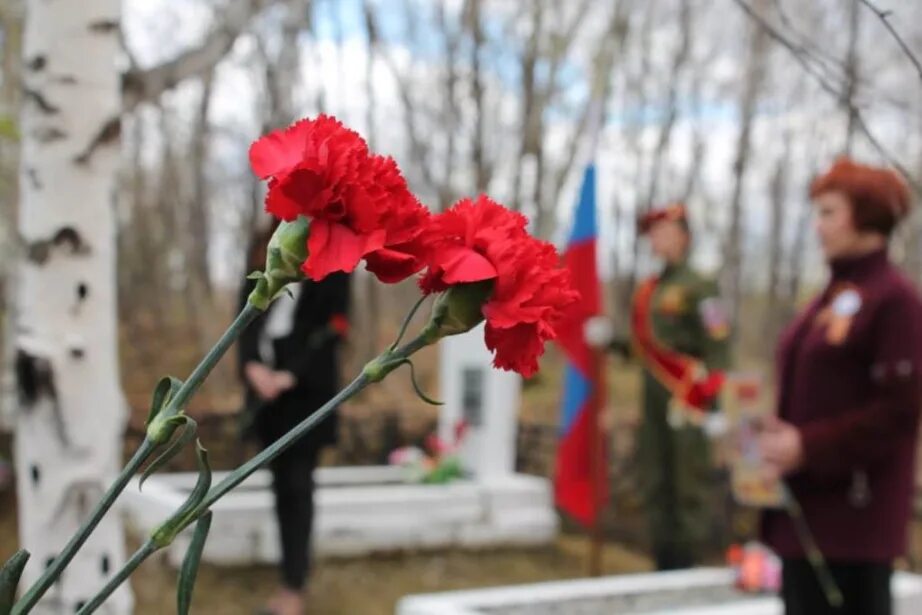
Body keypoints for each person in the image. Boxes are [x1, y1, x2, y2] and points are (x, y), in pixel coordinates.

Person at [757, 158, 921, 615]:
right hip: (805, 517)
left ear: (867, 215)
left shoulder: (894, 300)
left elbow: (898, 412)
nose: (818, 227)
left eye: (829, 213)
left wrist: (805, 446)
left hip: (855, 529)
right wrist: (776, 434)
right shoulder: (830, 296)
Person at [238, 219, 351, 615]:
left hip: (306, 398)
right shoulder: (263, 244)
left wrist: (292, 373)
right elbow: (245, 314)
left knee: (299, 488)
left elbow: (336, 325)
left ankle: (293, 588)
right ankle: (289, 578)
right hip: (266, 398)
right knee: (280, 488)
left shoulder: (334, 253)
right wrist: (252, 367)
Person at [628, 203, 731, 570]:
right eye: (654, 232)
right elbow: (642, 345)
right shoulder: (648, 289)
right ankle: (662, 560)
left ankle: (688, 563)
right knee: (655, 476)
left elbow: (718, 341)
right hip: (654, 395)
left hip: (688, 396)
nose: (658, 238)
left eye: (666, 231)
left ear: (684, 237)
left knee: (689, 479)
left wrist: (713, 399)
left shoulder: (701, 285)